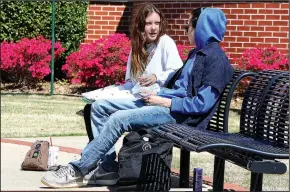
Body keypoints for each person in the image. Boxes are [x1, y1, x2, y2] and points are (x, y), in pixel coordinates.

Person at [41, 7, 234, 188]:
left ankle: (78, 169)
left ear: (201, 27)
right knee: (100, 107)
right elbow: (182, 90)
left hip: (181, 117)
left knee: (118, 119)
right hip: (168, 105)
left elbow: (201, 104)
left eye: (189, 26)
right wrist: (158, 93)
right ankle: (107, 167)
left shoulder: (215, 59)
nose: (187, 31)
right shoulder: (198, 54)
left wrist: (164, 101)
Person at [81, 3, 183, 185]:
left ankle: (104, 165)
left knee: (108, 114)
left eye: (157, 23)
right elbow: (131, 81)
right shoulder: (137, 46)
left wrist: (156, 76)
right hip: (135, 96)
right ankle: (108, 163)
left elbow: (177, 70)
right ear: (140, 25)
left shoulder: (165, 42)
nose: (153, 28)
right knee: (96, 107)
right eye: (148, 23)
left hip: (154, 101)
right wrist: (112, 91)